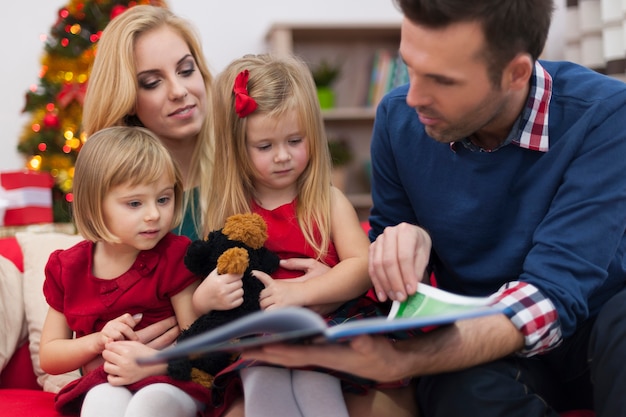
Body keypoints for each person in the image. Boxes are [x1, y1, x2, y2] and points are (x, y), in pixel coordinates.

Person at [242, 1, 626, 416]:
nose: (414, 97)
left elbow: (555, 292)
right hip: (482, 341)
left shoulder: (607, 114)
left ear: (516, 73)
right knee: (451, 389)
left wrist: (403, 360)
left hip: (594, 332)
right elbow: (394, 279)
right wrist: (402, 248)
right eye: (410, 66)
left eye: (442, 80)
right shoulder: (397, 118)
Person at [197, 53, 416, 417]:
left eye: (295, 141)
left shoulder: (326, 200)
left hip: (327, 326)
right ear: (237, 149)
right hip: (260, 340)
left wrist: (300, 292)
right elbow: (209, 284)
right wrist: (207, 296)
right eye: (265, 147)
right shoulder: (231, 210)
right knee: (260, 383)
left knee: (318, 382)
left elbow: (362, 266)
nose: (283, 156)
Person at [39, 126, 209, 416]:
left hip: (171, 379)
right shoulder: (68, 268)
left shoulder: (175, 255)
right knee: (100, 401)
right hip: (107, 381)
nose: (154, 214)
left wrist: (155, 362)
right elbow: (50, 355)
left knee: (151, 403)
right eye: (134, 203)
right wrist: (97, 341)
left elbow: (201, 344)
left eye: (163, 199)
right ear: (95, 206)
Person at [83, 5, 213, 241]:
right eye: (153, 82)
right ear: (127, 98)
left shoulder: (251, 156)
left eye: (186, 70)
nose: (178, 91)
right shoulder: (111, 197)